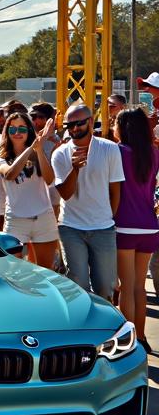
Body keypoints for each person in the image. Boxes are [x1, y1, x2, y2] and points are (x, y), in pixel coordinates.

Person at [51, 102, 124, 299]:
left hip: (103, 227)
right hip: (70, 227)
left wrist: (108, 217)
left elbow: (115, 190)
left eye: (79, 123)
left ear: (91, 121)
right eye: (69, 125)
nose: (74, 128)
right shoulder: (60, 154)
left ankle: (107, 328)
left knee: (106, 288)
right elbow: (65, 194)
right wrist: (74, 169)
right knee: (78, 285)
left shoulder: (109, 149)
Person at [113, 108, 159, 350]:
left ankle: (129, 344)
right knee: (140, 286)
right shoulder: (154, 153)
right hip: (150, 227)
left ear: (123, 128)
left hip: (124, 226)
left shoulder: (118, 152)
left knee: (127, 287)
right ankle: (141, 337)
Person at [0, 111, 59, 268]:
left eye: (22, 129)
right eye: (12, 129)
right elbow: (10, 174)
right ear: (7, 132)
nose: (17, 133)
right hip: (15, 220)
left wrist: (38, 149)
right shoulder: (0, 158)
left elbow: (50, 179)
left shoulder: (38, 152)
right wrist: (32, 147)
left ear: (29, 131)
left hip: (43, 218)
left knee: (46, 272)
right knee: (12, 271)